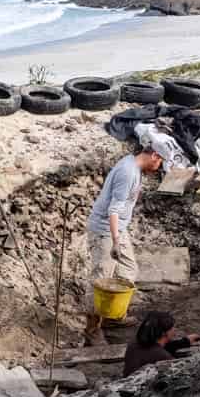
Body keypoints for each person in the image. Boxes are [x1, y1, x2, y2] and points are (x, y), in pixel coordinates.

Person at [84, 147, 162, 345]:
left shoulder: (133, 167)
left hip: (118, 229)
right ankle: (92, 330)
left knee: (128, 271)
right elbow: (114, 210)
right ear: (154, 155)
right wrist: (116, 241)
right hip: (105, 230)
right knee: (101, 280)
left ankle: (113, 317)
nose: (159, 167)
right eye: (160, 161)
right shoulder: (127, 173)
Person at [123, 310, 200, 376]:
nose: (174, 330)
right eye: (172, 327)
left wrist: (184, 342)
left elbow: (157, 348)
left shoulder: (134, 343)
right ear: (164, 333)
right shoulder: (163, 357)